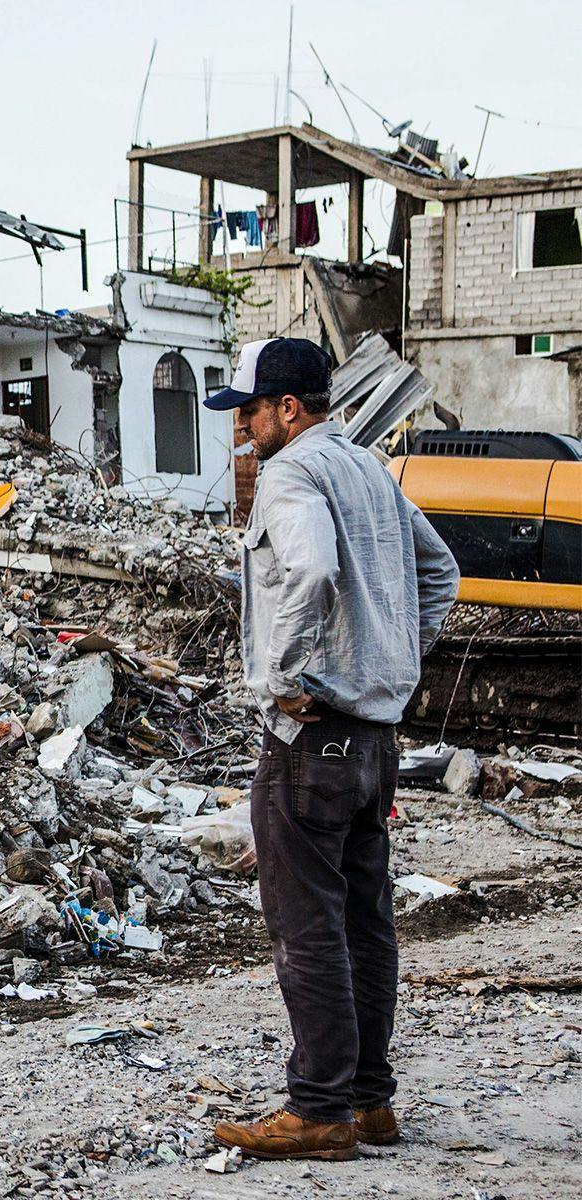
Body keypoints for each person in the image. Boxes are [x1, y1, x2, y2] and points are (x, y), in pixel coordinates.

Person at [204, 338, 460, 1161]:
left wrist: (289, 676)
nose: (241, 430)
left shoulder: (292, 474)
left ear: (287, 408)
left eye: (248, 411)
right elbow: (441, 570)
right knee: (363, 921)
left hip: (311, 743)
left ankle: (319, 1112)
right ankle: (368, 1101)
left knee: (307, 926)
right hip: (374, 741)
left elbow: (309, 570)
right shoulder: (369, 472)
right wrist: (392, 660)